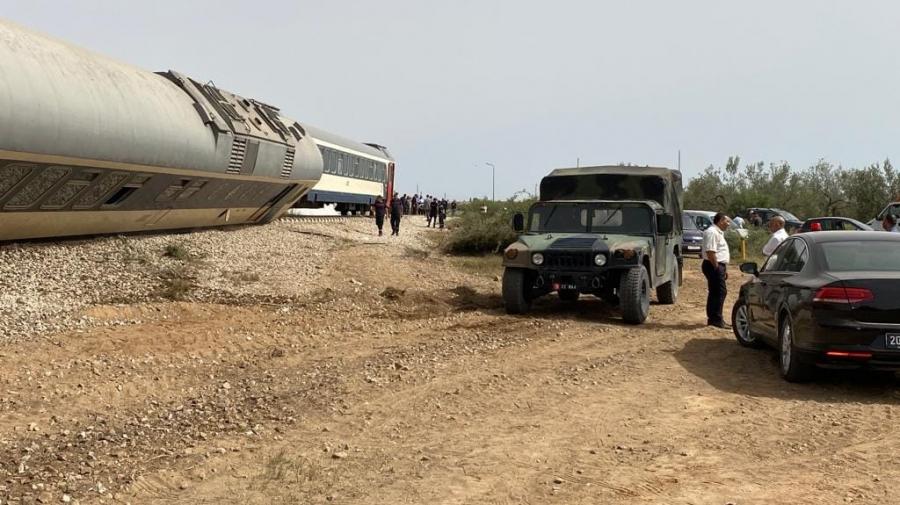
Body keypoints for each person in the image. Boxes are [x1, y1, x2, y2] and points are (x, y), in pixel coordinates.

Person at [702, 213, 731, 329]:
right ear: (720, 221)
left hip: (717, 265)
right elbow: (710, 252)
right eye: (727, 221)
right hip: (713, 265)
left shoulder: (718, 232)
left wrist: (724, 268)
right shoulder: (712, 232)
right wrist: (717, 267)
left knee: (715, 292)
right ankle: (717, 319)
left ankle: (713, 319)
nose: (728, 224)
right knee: (720, 292)